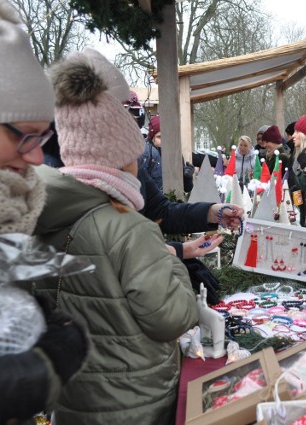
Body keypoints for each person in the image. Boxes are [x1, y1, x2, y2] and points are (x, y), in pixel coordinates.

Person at [33, 49, 199, 425]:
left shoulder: (40, 219)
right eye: (133, 154)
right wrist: (174, 264)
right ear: (119, 156)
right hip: (137, 403)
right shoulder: (129, 228)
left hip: (73, 404)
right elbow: (172, 318)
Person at [0, 1, 88, 423]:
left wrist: (32, 314)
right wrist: (41, 371)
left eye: (44, 137)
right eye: (25, 137)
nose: (37, 159)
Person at [140, 115, 195, 193]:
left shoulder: (176, 154)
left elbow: (187, 188)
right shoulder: (145, 154)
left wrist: (187, 177)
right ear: (152, 137)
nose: (164, 140)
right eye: (160, 137)